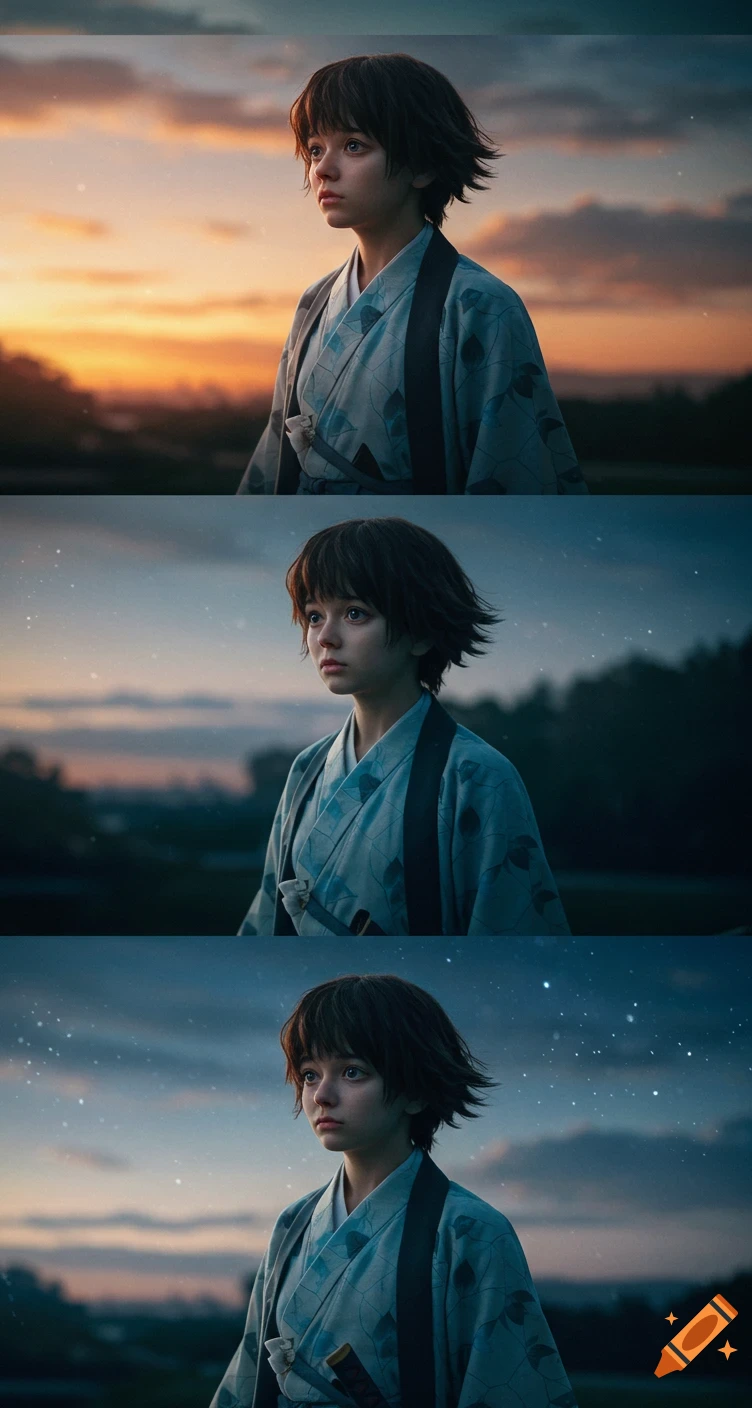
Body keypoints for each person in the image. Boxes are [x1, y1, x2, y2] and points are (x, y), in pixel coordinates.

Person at [210, 974, 576, 1408]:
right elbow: (249, 1374)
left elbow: (508, 1386)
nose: (322, 1095)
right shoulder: (293, 1223)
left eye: (351, 1072)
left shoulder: (471, 1230)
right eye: (309, 1074)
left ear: (416, 1091)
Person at [238, 53, 586, 497]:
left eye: (354, 145)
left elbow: (512, 468)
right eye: (314, 149)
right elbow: (276, 453)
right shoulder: (315, 301)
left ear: (422, 165)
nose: (322, 168)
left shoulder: (478, 304)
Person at [240, 517, 569, 937]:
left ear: (420, 632)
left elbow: (514, 930)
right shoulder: (307, 769)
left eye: (355, 613)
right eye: (314, 615)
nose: (325, 637)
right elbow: (266, 921)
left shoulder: (478, 775)